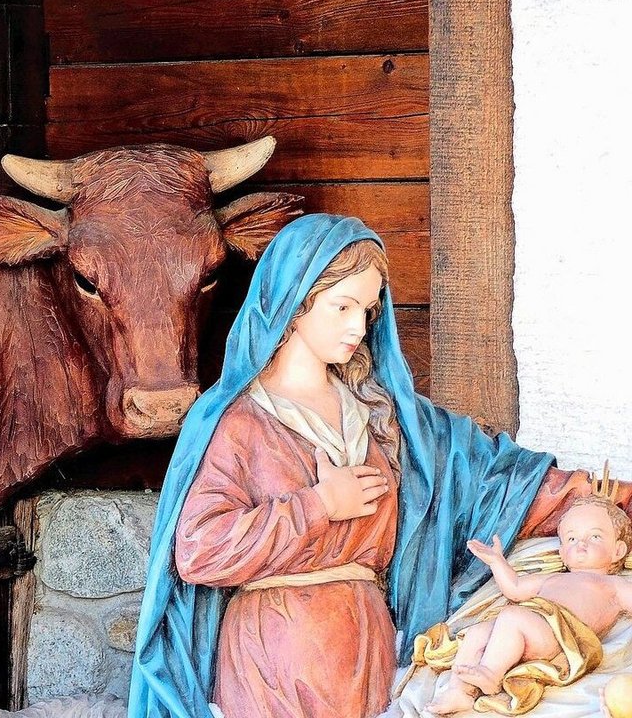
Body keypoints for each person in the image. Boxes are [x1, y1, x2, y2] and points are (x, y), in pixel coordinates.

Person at [128, 214, 630, 718]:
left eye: (367, 311)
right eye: (341, 306)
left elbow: (491, 479)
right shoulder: (241, 420)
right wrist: (319, 504)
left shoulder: (382, 414)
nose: (357, 327)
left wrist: (611, 499)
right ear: (294, 303)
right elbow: (198, 549)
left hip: (370, 645)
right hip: (277, 652)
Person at [427, 497, 632, 714]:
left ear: (618, 550)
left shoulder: (614, 585)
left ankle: (490, 673)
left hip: (560, 636)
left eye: (595, 537)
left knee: (512, 616)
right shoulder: (550, 578)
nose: (581, 544)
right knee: (477, 633)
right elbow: (514, 588)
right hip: (528, 625)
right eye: (571, 538)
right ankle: (458, 692)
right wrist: (497, 562)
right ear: (562, 553)